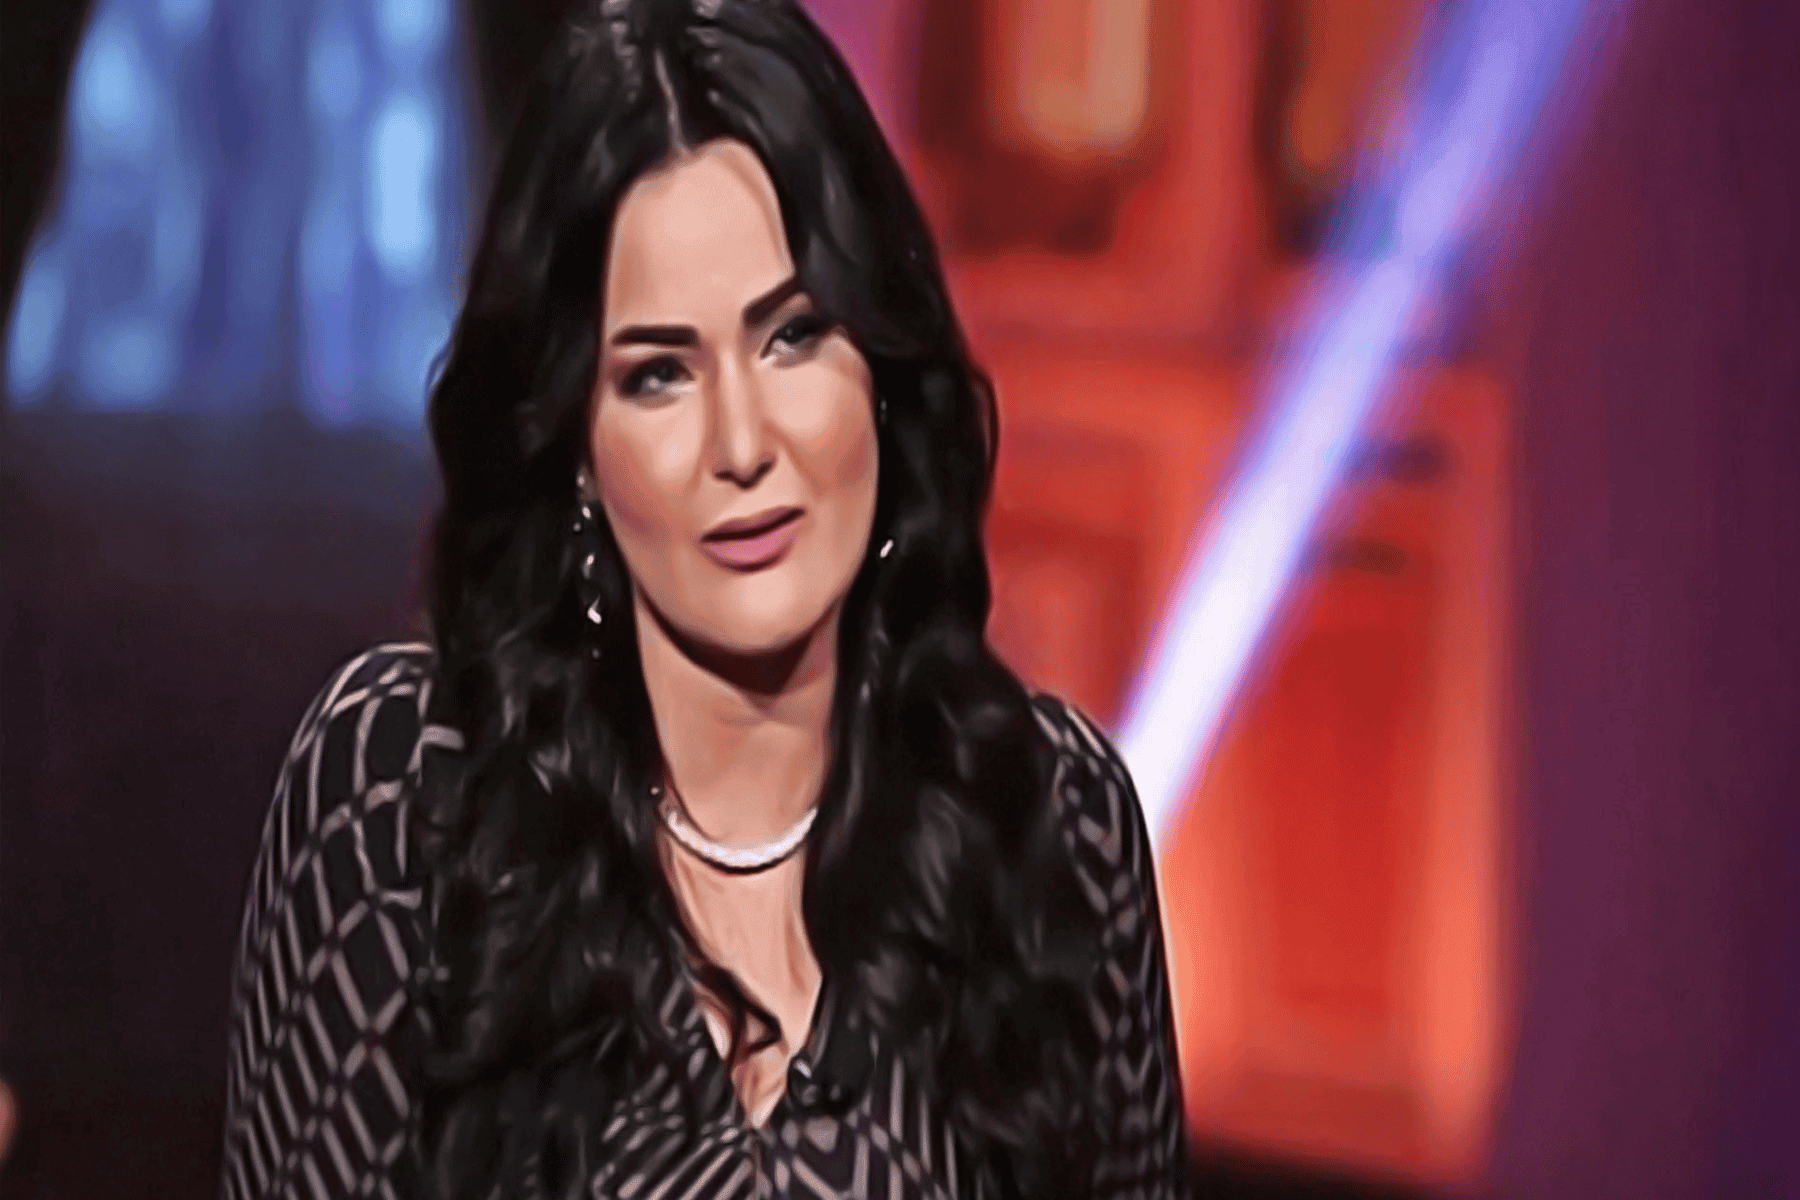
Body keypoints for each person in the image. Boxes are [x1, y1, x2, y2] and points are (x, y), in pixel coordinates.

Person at [217, 1, 1187, 1196]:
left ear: (881, 371)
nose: (742, 443)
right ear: (577, 444)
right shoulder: (404, 798)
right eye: (660, 375)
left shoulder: (1053, 821)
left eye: (793, 336)